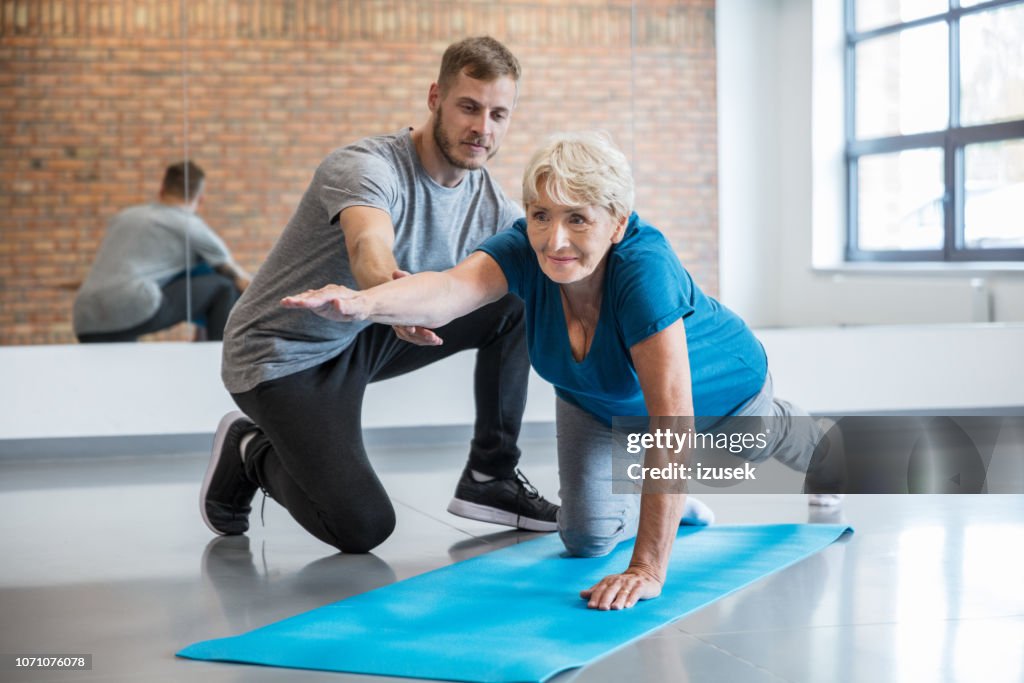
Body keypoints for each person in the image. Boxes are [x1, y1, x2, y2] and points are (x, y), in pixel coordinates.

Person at [281, 131, 832, 610]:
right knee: (585, 541)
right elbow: (449, 290)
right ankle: (671, 500)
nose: (555, 239)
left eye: (578, 218)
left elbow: (674, 422)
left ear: (616, 222)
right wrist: (364, 304)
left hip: (720, 393)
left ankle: (803, 436)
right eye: (541, 215)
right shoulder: (525, 249)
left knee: (754, 450)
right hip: (595, 399)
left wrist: (647, 567)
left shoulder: (645, 272)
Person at [202, 36, 558, 553]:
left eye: (499, 114)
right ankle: (250, 449)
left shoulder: (490, 205)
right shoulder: (367, 167)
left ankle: (491, 477)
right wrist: (378, 298)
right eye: (469, 107)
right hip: (281, 356)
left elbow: (552, 260)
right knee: (362, 528)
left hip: (360, 338)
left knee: (519, 298)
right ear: (435, 97)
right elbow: (370, 245)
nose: (483, 128)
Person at [73, 161, 251, 343]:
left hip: (84, 316)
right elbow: (238, 279)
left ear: (162, 189)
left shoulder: (125, 216)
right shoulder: (189, 224)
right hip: (131, 308)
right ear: (201, 199)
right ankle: (218, 361)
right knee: (223, 287)